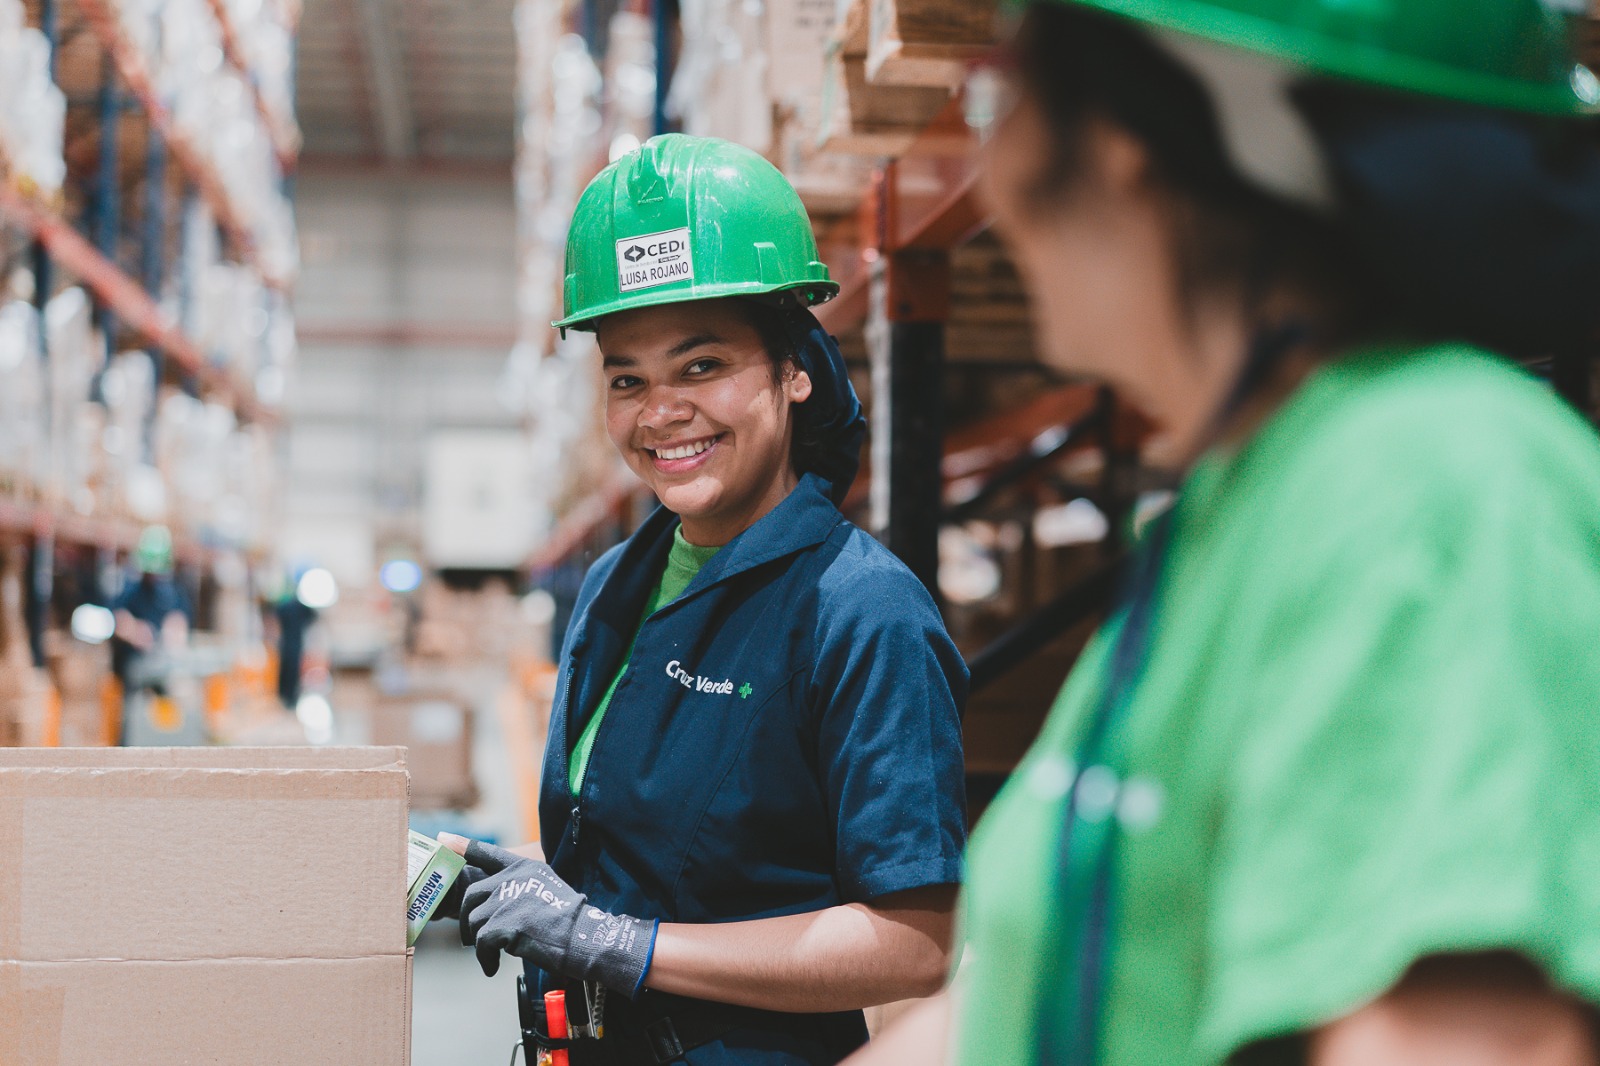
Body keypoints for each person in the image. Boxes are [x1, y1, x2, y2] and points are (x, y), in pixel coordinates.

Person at [849, 2, 1600, 1065]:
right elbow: (1028, 1000)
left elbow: (1469, 1042)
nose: (990, 163)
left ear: (1121, 147)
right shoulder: (1244, 496)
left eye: (997, 97)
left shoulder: (1431, 488)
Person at [447, 134, 969, 1065]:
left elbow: (914, 943)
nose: (660, 412)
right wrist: (520, 880)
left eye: (701, 367)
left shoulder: (862, 611)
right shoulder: (615, 584)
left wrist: (617, 944)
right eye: (628, 379)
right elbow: (658, 858)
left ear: (793, 370)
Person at [109, 525, 191, 743]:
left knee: (166, 721)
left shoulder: (173, 593)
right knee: (133, 721)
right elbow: (117, 618)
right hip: (135, 668)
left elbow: (180, 619)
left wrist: (176, 631)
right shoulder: (131, 590)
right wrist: (133, 630)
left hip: (162, 668)